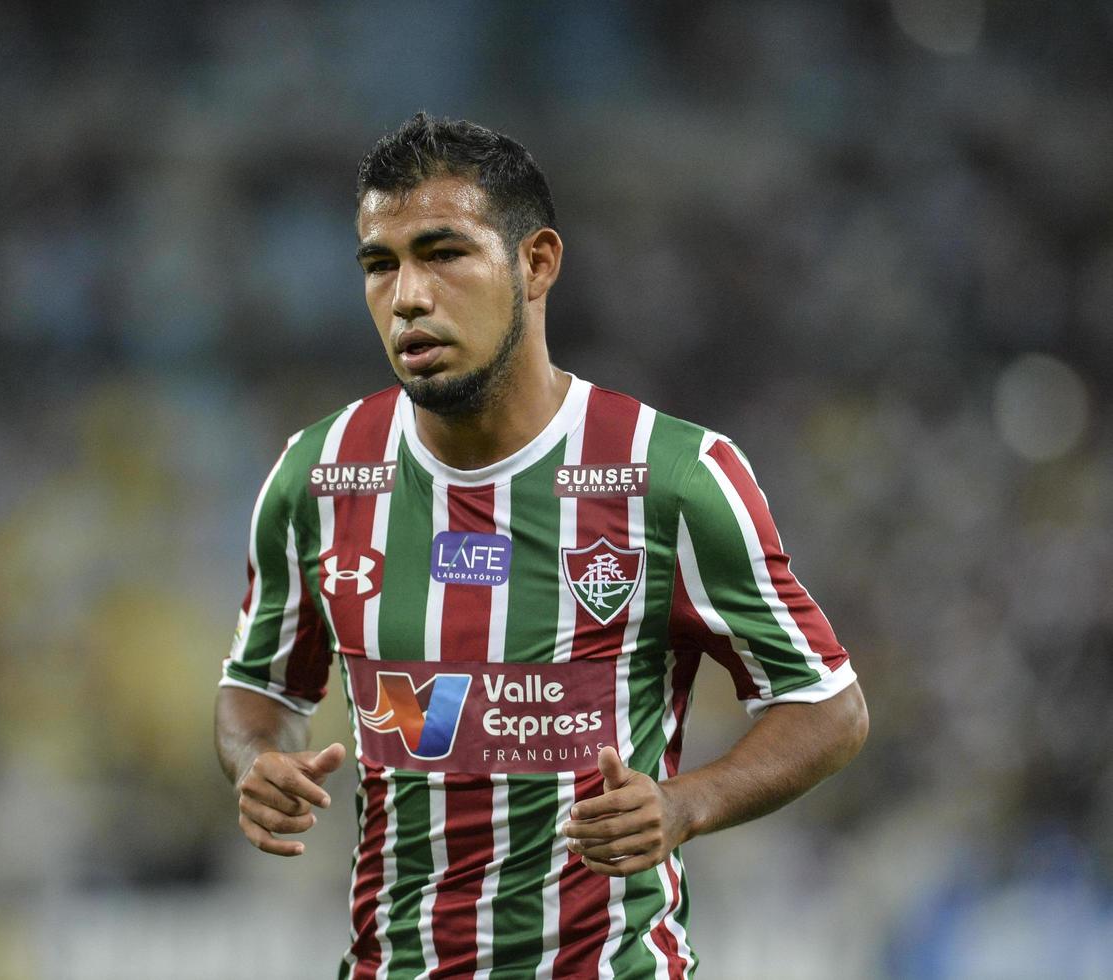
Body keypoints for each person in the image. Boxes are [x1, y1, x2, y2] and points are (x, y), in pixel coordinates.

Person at [214, 112, 868, 979]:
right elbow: (256, 690)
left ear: (536, 263)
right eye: (380, 264)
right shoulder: (320, 476)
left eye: (443, 253)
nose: (407, 295)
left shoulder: (671, 476)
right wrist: (259, 761)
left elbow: (828, 706)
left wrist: (685, 804)